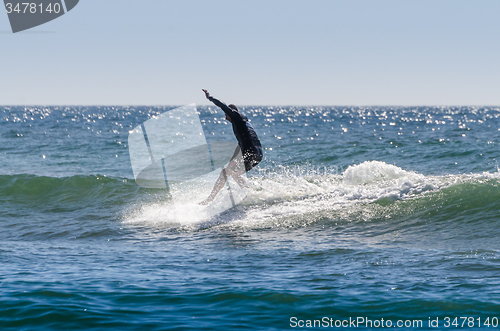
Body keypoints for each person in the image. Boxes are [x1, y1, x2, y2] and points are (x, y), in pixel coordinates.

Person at [200, 89, 263, 205]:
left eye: (226, 115)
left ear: (230, 112)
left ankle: (209, 199)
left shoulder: (236, 117)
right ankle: (248, 193)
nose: (225, 118)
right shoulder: (243, 123)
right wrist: (231, 162)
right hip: (258, 154)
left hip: (251, 152)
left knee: (225, 173)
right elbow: (241, 145)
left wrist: (210, 98)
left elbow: (222, 105)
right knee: (232, 172)